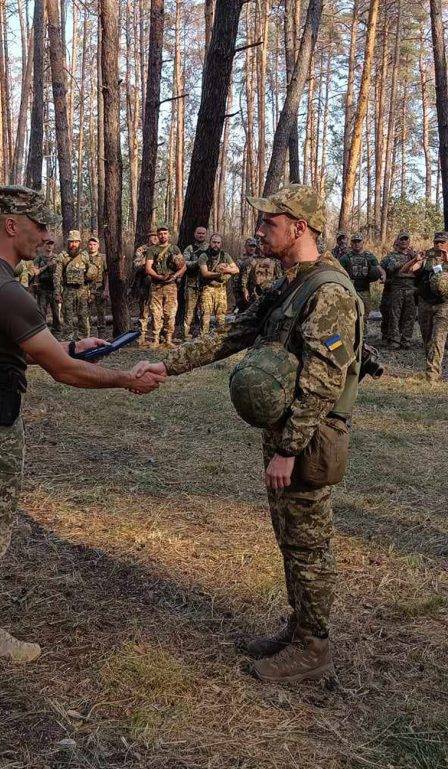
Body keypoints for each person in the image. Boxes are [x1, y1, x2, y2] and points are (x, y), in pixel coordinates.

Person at [0, 185, 164, 664]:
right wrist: (124, 379)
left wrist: (66, 345)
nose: (48, 237)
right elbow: (62, 374)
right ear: (11, 225)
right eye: (41, 226)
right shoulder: (8, 289)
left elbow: (12, 345)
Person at [139, 184, 363, 683]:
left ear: (299, 227)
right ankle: (300, 626)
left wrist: (287, 450)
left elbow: (324, 382)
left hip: (307, 439)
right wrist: (166, 365)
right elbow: (233, 333)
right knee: (290, 537)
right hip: (287, 436)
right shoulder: (291, 283)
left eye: (269, 223)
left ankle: (314, 648)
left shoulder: (328, 292)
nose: (260, 230)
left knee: (308, 544)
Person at [144, 226, 185, 347]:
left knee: (170, 313)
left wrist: (175, 276)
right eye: (160, 234)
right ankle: (156, 339)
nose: (163, 236)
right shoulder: (152, 250)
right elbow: (148, 268)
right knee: (156, 313)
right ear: (157, 235)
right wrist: (159, 277)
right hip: (156, 285)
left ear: (169, 235)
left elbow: (183, 266)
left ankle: (168, 339)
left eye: (165, 233)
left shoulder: (174, 248)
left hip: (171, 286)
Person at [379, 232, 421, 349]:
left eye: (406, 239)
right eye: (401, 239)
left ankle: (406, 340)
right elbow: (389, 267)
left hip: (411, 288)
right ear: (397, 241)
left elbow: (420, 268)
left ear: (409, 241)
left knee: (410, 316)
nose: (403, 241)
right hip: (397, 287)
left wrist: (416, 257)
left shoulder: (414, 255)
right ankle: (394, 339)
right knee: (394, 315)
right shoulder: (392, 256)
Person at [417, 232, 448, 381]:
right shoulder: (427, 256)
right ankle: (430, 365)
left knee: (438, 338)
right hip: (425, 302)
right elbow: (411, 270)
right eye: (436, 242)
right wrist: (416, 261)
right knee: (427, 337)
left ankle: (432, 375)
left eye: (442, 242)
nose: (439, 245)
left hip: (444, 304)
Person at [196, 233, 238, 335]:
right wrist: (220, 273)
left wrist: (226, 269)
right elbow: (205, 273)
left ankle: (219, 341)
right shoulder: (204, 255)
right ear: (210, 243)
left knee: (221, 317)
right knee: (205, 316)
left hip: (221, 289)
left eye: (218, 243)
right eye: (214, 242)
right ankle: (203, 339)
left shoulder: (225, 255)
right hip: (208, 288)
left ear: (221, 244)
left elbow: (236, 270)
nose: (216, 245)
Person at [56, 230, 94, 338]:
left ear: (80, 242)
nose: (74, 244)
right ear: (68, 243)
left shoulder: (85, 256)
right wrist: (57, 293)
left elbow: (91, 273)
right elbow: (57, 276)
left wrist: (91, 292)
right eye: (71, 242)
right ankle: (68, 340)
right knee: (67, 316)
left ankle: (84, 340)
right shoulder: (62, 256)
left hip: (82, 290)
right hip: (68, 291)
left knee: (83, 316)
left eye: (76, 242)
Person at [338, 234, 384, 315]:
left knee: (365, 316)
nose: (356, 244)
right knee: (350, 315)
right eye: (354, 242)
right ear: (351, 243)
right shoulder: (345, 258)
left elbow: (379, 268)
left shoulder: (369, 256)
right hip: (350, 291)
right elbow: (338, 271)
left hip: (365, 291)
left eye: (358, 241)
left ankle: (364, 328)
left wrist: (383, 276)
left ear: (363, 242)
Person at [179, 225, 209, 339]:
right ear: (195, 234)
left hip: (205, 285)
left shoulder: (209, 248)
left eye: (203, 233)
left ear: (206, 235)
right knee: (189, 311)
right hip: (192, 284)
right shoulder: (189, 249)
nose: (201, 235)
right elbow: (185, 263)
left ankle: (203, 336)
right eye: (199, 233)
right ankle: (186, 335)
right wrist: (198, 263)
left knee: (205, 311)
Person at [31, 236, 60, 327]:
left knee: (55, 312)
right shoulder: (39, 258)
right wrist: (47, 266)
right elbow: (35, 272)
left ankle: (57, 329)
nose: (49, 246)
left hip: (54, 288)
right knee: (42, 311)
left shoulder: (57, 257)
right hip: (43, 288)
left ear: (54, 246)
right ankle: (43, 329)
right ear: (44, 245)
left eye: (51, 244)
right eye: (47, 244)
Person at [132, 232, 159, 329]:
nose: (155, 238)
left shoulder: (162, 248)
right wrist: (145, 262)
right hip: (145, 279)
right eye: (153, 236)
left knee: (157, 304)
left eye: (157, 235)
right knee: (144, 303)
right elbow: (136, 265)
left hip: (158, 280)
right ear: (149, 237)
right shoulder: (142, 249)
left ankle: (156, 326)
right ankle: (143, 326)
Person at [87, 236, 109, 337]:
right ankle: (87, 336)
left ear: (98, 246)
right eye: (90, 244)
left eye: (94, 244)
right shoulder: (84, 257)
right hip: (86, 289)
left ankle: (102, 338)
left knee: (101, 314)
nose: (92, 247)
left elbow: (107, 274)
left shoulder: (103, 257)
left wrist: (106, 290)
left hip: (100, 288)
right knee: (86, 315)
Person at [231, 238, 257, 313]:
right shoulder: (240, 261)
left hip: (254, 292)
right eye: (250, 246)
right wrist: (238, 296)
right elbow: (235, 280)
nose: (252, 248)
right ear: (245, 246)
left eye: (254, 246)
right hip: (242, 293)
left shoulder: (258, 259)